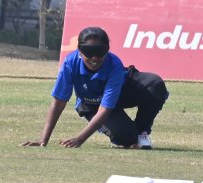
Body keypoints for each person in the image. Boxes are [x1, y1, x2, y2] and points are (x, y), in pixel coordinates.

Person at [21, 26, 169, 149]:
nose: (94, 58)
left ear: (107, 50)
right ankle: (131, 136)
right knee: (127, 137)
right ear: (79, 50)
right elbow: (58, 102)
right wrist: (43, 140)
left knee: (154, 84)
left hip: (120, 94)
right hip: (92, 105)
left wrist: (80, 139)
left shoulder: (114, 64)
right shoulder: (70, 63)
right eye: (88, 52)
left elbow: (106, 108)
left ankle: (141, 133)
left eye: (99, 52)